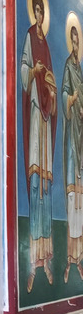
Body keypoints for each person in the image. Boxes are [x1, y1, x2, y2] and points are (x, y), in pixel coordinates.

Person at [21, 0, 57, 292]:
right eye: (36, 11)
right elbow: (24, 68)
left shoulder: (47, 44)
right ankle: (32, 261)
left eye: (41, 11)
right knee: (36, 184)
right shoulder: (30, 37)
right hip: (35, 110)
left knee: (46, 185)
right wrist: (33, 71)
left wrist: (53, 91)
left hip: (46, 118)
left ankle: (47, 258)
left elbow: (54, 81)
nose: (39, 15)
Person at [62, 24, 83, 282]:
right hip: (72, 139)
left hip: (81, 135)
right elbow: (65, 94)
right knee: (72, 197)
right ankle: (70, 258)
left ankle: (79, 258)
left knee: (81, 199)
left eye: (78, 42)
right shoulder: (69, 66)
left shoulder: (80, 70)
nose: (76, 46)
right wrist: (71, 100)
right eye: (74, 41)